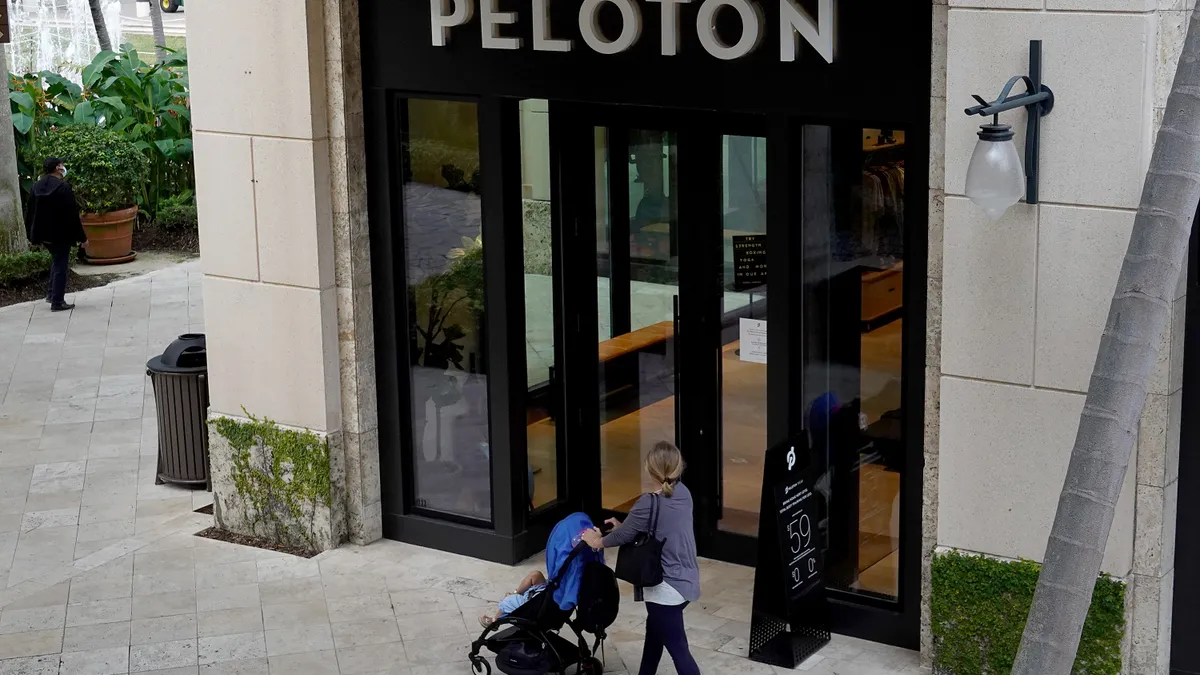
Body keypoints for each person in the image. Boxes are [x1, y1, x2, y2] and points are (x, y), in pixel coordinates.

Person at [582, 441, 701, 675]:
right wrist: (624, 526)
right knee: (654, 635)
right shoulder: (684, 493)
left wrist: (596, 541)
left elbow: (626, 534)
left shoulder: (648, 502)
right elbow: (660, 526)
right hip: (686, 578)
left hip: (666, 586)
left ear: (649, 470)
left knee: (679, 650)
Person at [25, 157, 86, 312]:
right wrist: (82, 237)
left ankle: (51, 294)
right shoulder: (63, 188)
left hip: (43, 234)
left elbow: (30, 211)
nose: (63, 167)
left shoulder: (36, 187)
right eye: (61, 165)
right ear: (58, 168)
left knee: (56, 260)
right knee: (60, 264)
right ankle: (57, 302)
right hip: (60, 234)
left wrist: (31, 235)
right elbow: (72, 214)